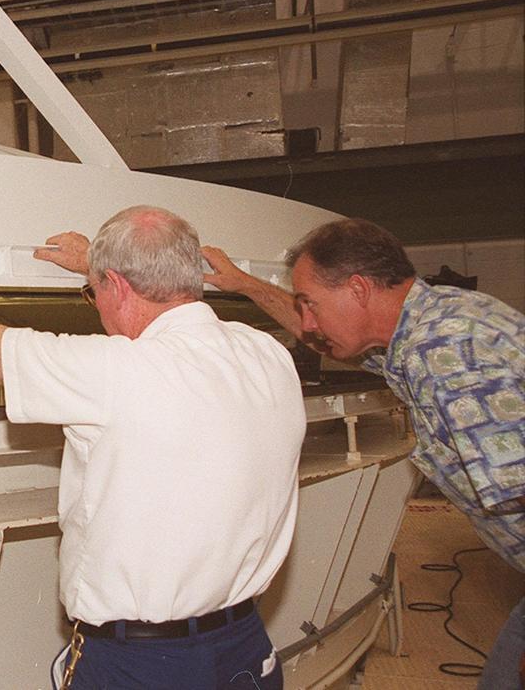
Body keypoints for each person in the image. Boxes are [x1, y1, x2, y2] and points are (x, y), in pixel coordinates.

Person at [0, 206, 305, 690]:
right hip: (245, 649)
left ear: (117, 286)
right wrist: (98, 269)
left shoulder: (116, 371)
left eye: (96, 292)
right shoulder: (267, 354)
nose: (96, 306)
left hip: (143, 666)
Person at [202, 218, 524, 690]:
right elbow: (324, 340)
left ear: (357, 289)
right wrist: (245, 285)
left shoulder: (446, 351)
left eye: (310, 303)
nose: (308, 323)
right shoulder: (431, 323)